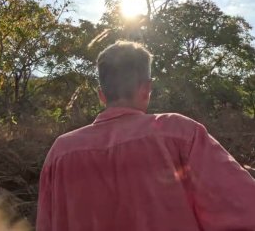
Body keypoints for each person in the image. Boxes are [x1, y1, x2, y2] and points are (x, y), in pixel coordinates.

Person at [36, 41, 255, 231]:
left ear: (101, 95)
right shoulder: (180, 133)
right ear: (147, 89)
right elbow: (246, 210)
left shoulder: (60, 152)